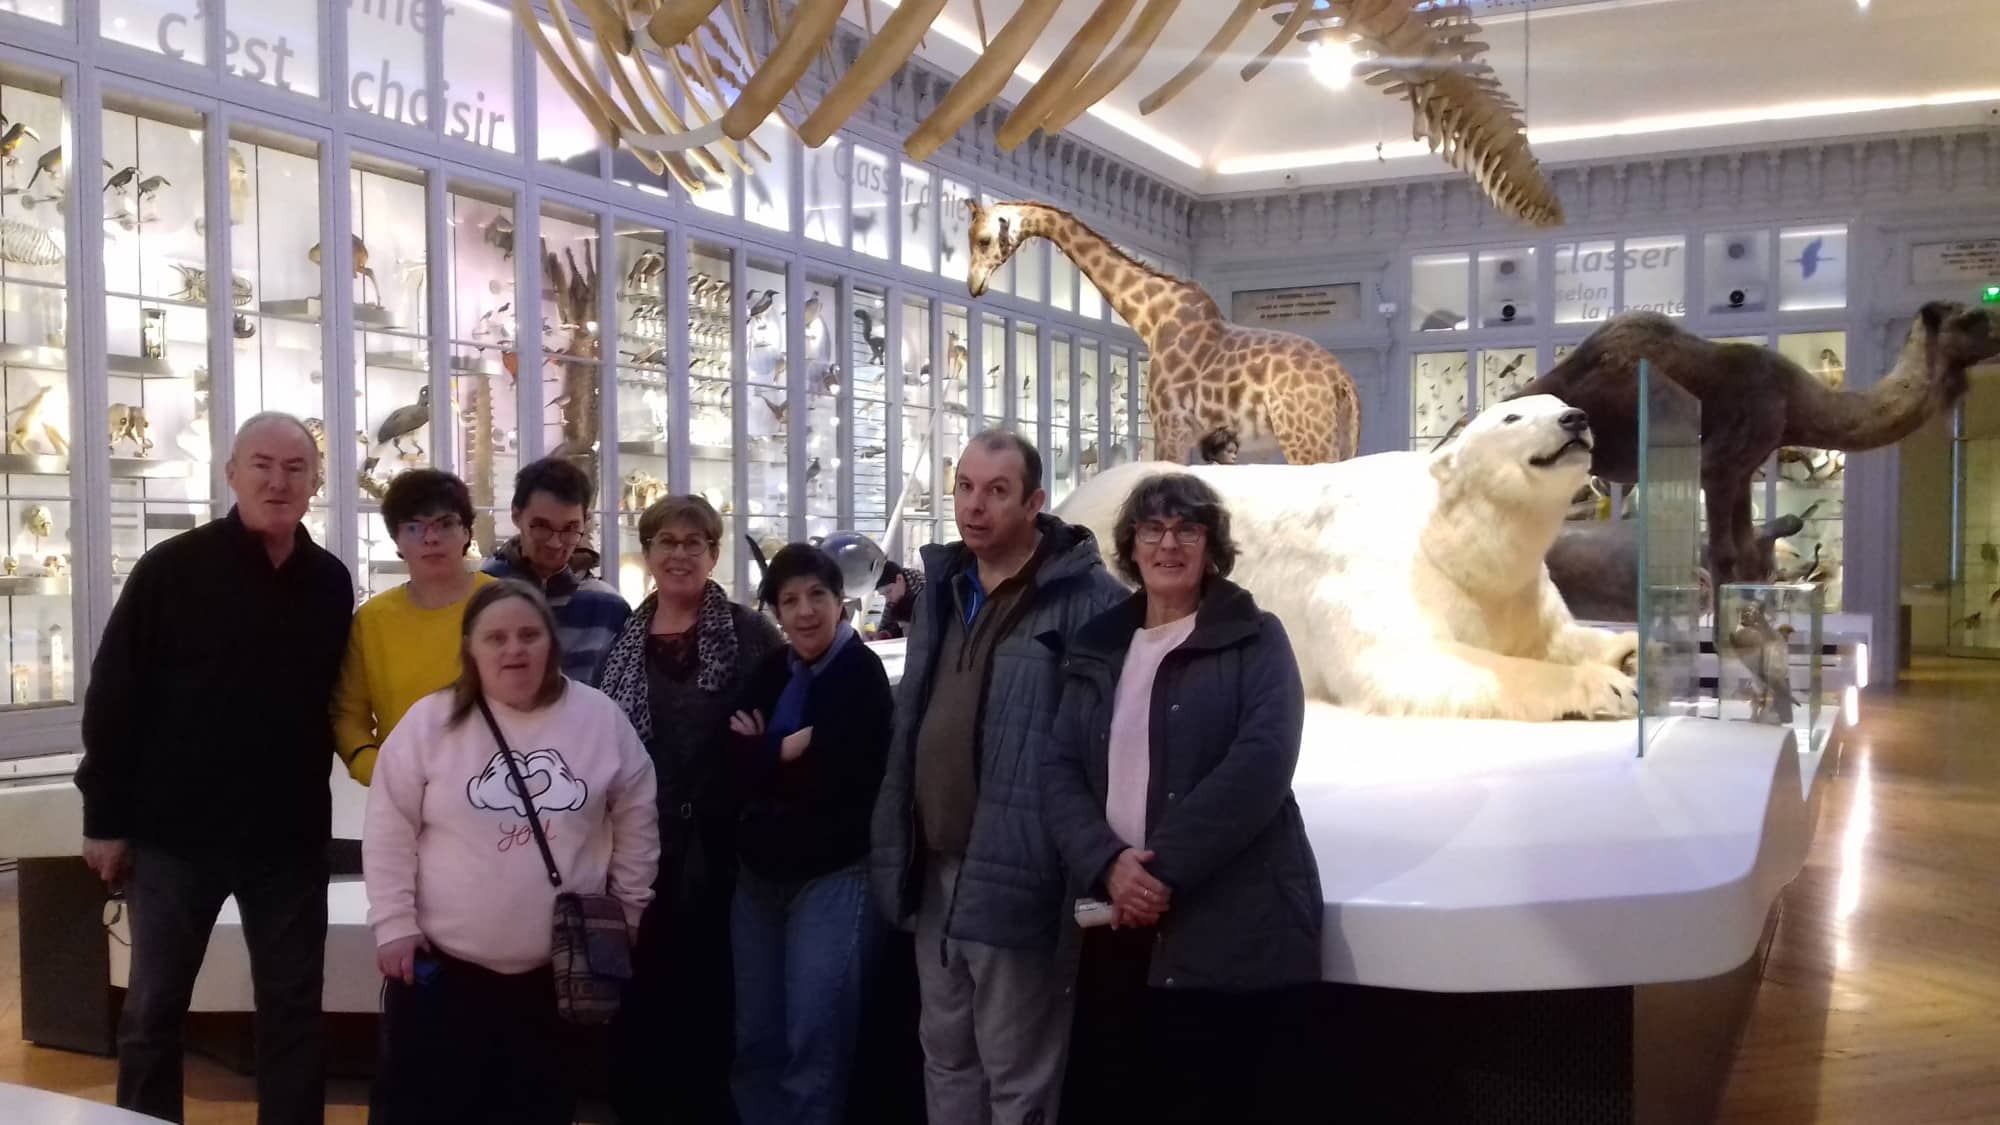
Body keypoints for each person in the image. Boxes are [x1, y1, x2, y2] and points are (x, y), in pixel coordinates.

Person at [76, 413, 354, 1125]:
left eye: (295, 467)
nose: (278, 481)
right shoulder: (171, 568)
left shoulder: (329, 581)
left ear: (315, 482)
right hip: (176, 834)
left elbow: (334, 699)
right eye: (261, 464)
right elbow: (114, 694)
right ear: (231, 474)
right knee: (153, 1010)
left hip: (287, 837)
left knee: (293, 1010)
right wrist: (104, 818)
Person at [1041, 473, 1319, 1125]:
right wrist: (1107, 863)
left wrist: (1156, 873)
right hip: (1116, 930)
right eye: (1153, 529)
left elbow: (1261, 764)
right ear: (1131, 545)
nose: (1169, 544)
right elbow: (1059, 767)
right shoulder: (1099, 644)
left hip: (1223, 933)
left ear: (1211, 546)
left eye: (1187, 529)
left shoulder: (1257, 638)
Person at [869, 429, 1126, 1125]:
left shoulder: (1089, 600)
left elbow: (1104, 744)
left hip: (1018, 872)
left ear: (1035, 502)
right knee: (946, 1054)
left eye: (996, 491)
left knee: (1017, 1072)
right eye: (964, 487)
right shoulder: (943, 588)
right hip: (933, 865)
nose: (974, 505)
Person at [364, 580, 660, 1124]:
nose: (514, 649)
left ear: (551, 642)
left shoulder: (599, 719)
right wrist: (394, 923)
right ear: (471, 649)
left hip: (553, 982)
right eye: (496, 638)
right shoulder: (429, 723)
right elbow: (389, 828)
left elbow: (637, 810)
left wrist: (630, 907)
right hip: (443, 977)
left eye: (528, 635)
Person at [597, 494, 784, 1124]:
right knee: (644, 993)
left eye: (693, 543)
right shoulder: (623, 641)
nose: (679, 555)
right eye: (667, 542)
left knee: (715, 995)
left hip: (725, 851)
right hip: (642, 851)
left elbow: (780, 722)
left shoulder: (751, 634)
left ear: (713, 552)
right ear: (648, 552)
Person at [728, 544, 895, 1125]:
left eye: (817, 595)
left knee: (814, 1038)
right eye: (790, 599)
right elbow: (729, 764)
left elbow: (836, 780)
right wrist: (779, 754)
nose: (804, 611)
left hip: (831, 876)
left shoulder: (860, 674)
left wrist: (760, 753)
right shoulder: (774, 668)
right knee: (756, 1036)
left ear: (840, 601)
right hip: (758, 879)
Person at [331, 469, 495, 785]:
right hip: (403, 791)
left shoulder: (504, 603)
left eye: (445, 524)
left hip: (495, 789)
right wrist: (375, 768)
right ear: (396, 538)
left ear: (466, 532)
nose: (431, 538)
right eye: (414, 527)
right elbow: (348, 713)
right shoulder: (374, 618)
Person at [481, 455, 630, 681]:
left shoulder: (608, 608)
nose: (555, 543)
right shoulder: (480, 594)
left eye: (570, 529)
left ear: (586, 521)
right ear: (516, 516)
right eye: (542, 527)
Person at [871, 560, 926, 640]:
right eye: (884, 595)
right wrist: (882, 635)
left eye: (888, 591)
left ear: (899, 579)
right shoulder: (894, 596)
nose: (888, 599)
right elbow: (887, 625)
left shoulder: (924, 591)